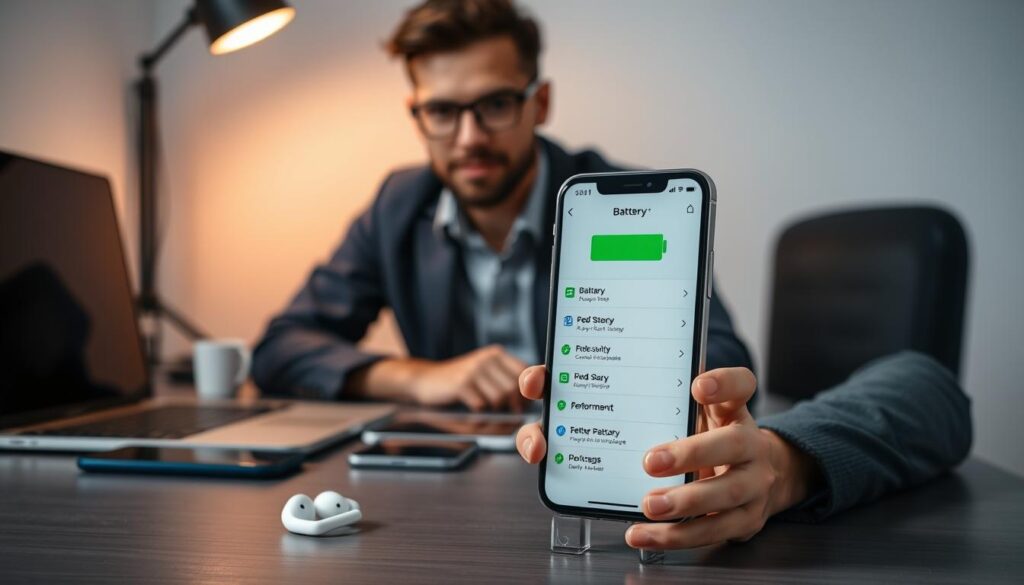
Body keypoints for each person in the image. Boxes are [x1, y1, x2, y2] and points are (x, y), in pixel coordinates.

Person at [253, 0, 972, 549]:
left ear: (539, 102)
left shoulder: (624, 199)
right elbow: (281, 346)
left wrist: (626, 383)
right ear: (417, 115)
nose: (468, 136)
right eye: (442, 111)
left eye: (495, 104)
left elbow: (719, 360)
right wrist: (417, 376)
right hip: (459, 516)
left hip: (618, 494)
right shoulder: (397, 206)